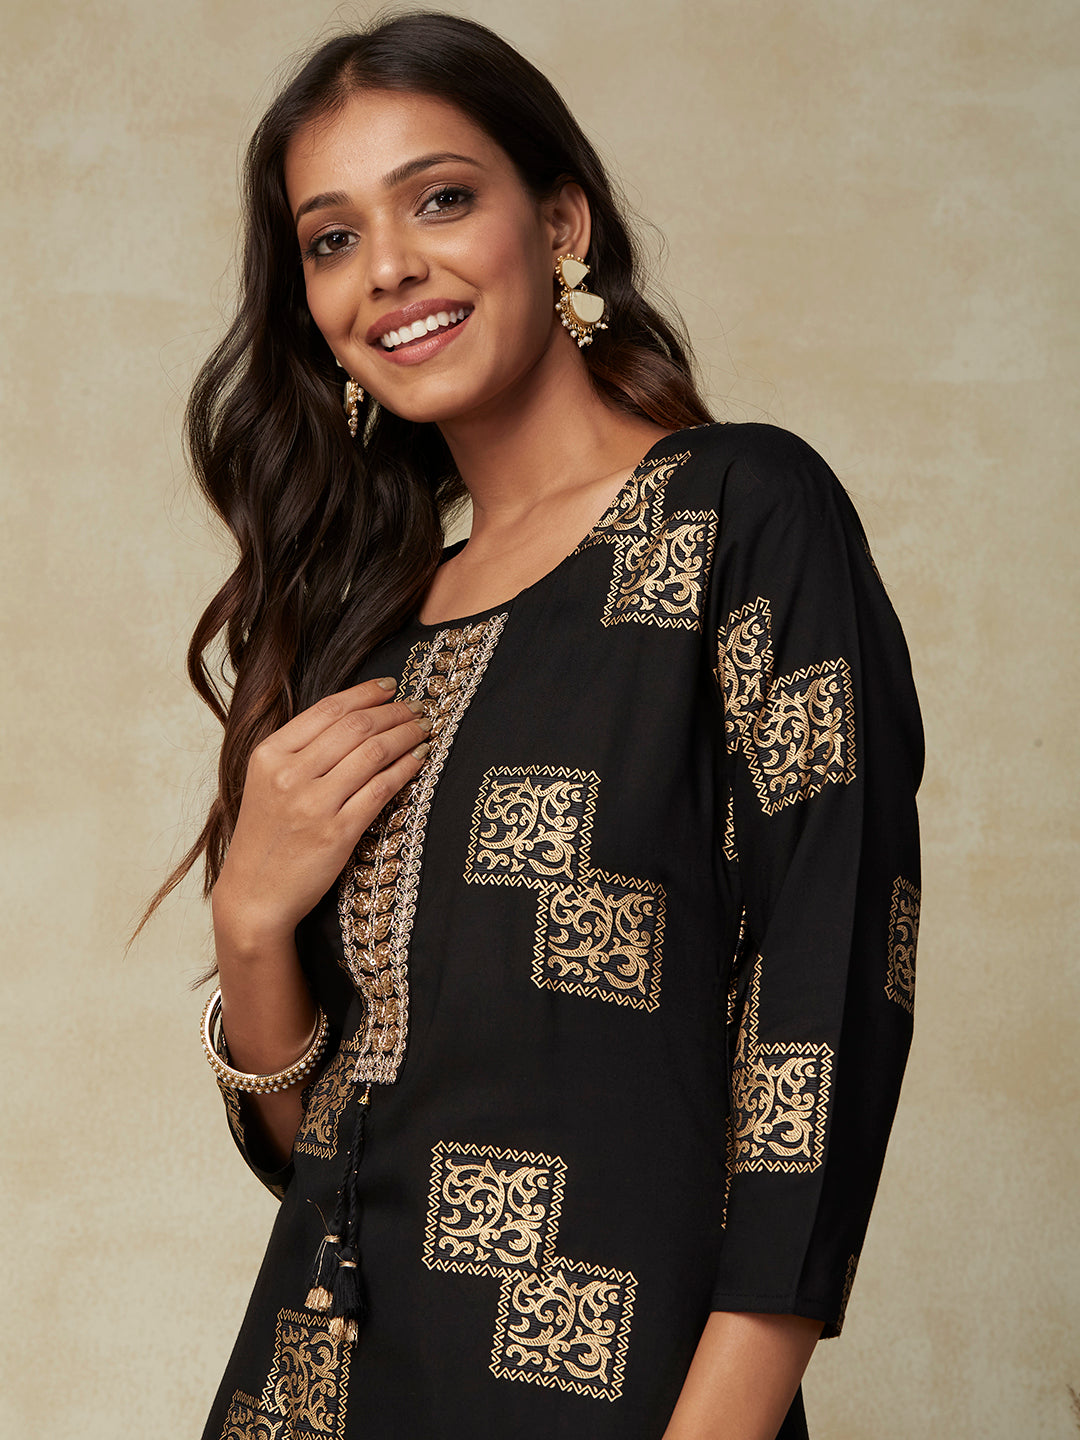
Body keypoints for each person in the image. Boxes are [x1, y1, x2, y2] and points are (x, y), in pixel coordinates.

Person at [161, 12, 922, 1438]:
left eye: (441, 198)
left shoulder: (739, 516)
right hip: (310, 1397)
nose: (388, 267)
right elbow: (323, 1154)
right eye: (332, 238)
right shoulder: (370, 635)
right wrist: (252, 925)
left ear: (559, 222)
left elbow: (826, 1012)